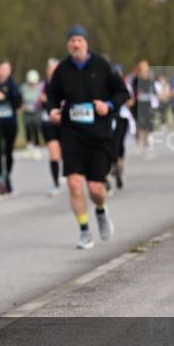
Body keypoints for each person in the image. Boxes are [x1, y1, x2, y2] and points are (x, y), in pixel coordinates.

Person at [44, 26, 130, 249]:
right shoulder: (62, 70)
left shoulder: (102, 66)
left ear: (86, 43)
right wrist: (52, 110)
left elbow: (123, 92)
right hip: (71, 134)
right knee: (74, 184)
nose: (75, 44)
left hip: (98, 136)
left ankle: (101, 211)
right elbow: (51, 97)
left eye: (79, 40)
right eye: (72, 40)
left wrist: (108, 105)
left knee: (95, 189)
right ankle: (84, 231)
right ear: (67, 45)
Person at [0, 60, 23, 195]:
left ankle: (7, 178)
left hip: (10, 122)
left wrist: (3, 98)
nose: (4, 71)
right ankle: (0, 180)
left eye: (7, 69)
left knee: (8, 152)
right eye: (2, 68)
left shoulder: (13, 84)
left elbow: (18, 103)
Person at [39, 58, 63, 195]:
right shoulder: (43, 86)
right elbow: (36, 103)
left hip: (63, 122)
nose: (52, 72)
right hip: (48, 122)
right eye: (50, 69)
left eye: (55, 69)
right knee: (53, 152)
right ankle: (55, 183)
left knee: (66, 152)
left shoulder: (64, 84)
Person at [107, 64, 133, 192]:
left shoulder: (125, 86)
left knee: (119, 145)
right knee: (111, 145)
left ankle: (118, 166)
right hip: (111, 118)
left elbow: (130, 100)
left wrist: (120, 101)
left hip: (123, 117)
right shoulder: (107, 85)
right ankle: (114, 168)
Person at [20, 69, 44, 160]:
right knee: (27, 128)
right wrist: (22, 105)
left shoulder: (40, 87)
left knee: (35, 128)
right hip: (27, 112)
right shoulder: (23, 87)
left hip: (36, 111)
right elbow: (20, 98)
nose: (32, 84)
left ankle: (37, 148)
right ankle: (29, 147)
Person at [132, 60, 155, 153]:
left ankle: (147, 140)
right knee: (138, 123)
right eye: (142, 68)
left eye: (146, 68)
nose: (144, 70)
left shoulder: (150, 79)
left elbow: (153, 90)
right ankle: (139, 141)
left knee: (148, 122)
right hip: (138, 104)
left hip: (148, 103)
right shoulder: (136, 79)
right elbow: (133, 91)